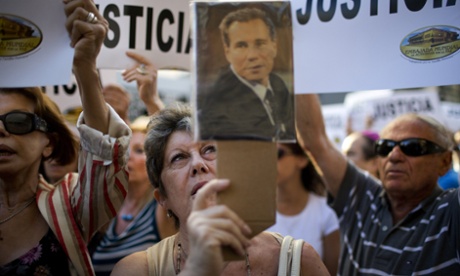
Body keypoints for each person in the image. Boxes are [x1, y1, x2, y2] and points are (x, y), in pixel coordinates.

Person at [111, 103, 330, 275]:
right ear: (162, 198)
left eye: (209, 149)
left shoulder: (298, 261)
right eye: (178, 157)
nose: (198, 164)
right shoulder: (136, 270)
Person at [0, 1, 131, 275]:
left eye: (18, 122)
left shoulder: (69, 205)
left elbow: (104, 161)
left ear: (49, 143)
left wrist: (85, 65)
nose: (2, 131)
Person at [295, 94, 459, 275]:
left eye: (412, 146)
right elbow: (316, 142)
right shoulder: (362, 198)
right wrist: (298, 70)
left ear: (444, 162)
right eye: (385, 147)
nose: (394, 156)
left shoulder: (451, 212)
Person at [198, 6, 294, 141]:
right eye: (241, 46)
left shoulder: (278, 85)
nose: (252, 55)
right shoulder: (220, 104)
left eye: (260, 43)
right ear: (227, 52)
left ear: (274, 45)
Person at [266, 142, 340, 275]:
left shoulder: (327, 212)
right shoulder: (252, 212)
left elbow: (331, 272)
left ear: (302, 160)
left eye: (278, 153)